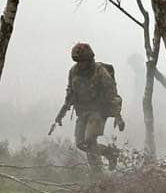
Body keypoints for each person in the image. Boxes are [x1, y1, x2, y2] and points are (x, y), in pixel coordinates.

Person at [50, 42, 123, 172]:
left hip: (98, 111)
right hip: (82, 111)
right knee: (80, 144)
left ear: (90, 60)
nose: (81, 64)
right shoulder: (73, 71)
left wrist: (118, 116)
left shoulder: (100, 71)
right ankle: (110, 153)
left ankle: (97, 173)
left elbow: (111, 94)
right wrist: (60, 116)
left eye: (83, 61)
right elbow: (70, 93)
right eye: (78, 61)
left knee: (89, 140)